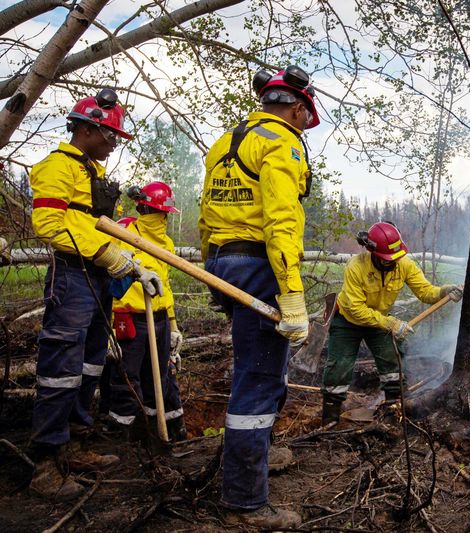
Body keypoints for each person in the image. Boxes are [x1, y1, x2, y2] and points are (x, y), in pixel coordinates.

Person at [198, 65, 319, 529]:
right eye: (306, 116)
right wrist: (291, 292)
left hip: (225, 262)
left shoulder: (225, 143)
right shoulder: (280, 142)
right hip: (261, 265)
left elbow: (208, 216)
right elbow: (282, 220)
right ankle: (245, 501)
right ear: (295, 106)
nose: (306, 124)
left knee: (258, 369)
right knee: (261, 377)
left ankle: (256, 455)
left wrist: (215, 276)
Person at [28, 89, 163, 501]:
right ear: (86, 128)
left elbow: (96, 226)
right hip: (73, 277)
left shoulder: (91, 172)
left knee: (89, 364)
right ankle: (46, 464)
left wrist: (132, 262)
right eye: (110, 135)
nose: (114, 142)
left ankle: (76, 443)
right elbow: (50, 224)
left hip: (97, 278)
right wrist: (106, 254)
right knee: (61, 366)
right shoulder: (58, 167)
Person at [321, 221, 463, 425]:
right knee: (339, 366)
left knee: (393, 362)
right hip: (348, 321)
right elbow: (356, 309)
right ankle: (330, 421)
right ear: (373, 252)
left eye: (397, 257)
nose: (394, 262)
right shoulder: (356, 267)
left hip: (379, 321)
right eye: (389, 259)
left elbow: (425, 291)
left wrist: (445, 291)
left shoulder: (403, 264)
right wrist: (392, 324)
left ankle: (394, 412)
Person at [106, 182, 186, 442]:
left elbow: (168, 286)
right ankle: (121, 436)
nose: (163, 220)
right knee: (127, 378)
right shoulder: (124, 232)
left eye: (165, 215)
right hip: (130, 318)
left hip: (160, 318)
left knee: (161, 375)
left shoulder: (167, 244)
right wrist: (108, 326)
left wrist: (173, 326)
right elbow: (109, 277)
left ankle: (157, 430)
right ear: (146, 210)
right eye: (160, 213)